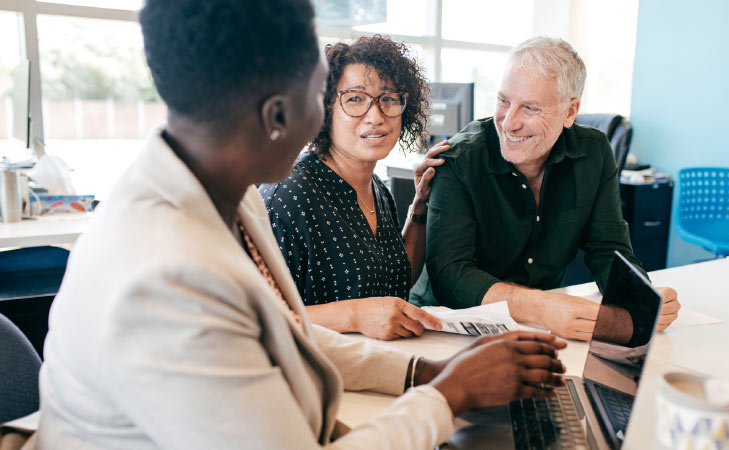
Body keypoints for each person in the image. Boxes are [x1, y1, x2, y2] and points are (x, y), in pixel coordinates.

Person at [34, 2, 568, 449]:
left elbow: (287, 331)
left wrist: (421, 374)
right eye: (327, 96)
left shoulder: (227, 195)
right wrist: (450, 396)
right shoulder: (166, 277)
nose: (367, 116)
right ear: (277, 116)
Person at [417, 37, 680, 341]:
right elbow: (450, 275)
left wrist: (639, 297)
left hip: (537, 328)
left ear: (570, 112)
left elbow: (608, 248)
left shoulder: (594, 153)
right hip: (447, 326)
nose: (509, 122)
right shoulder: (458, 159)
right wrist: (541, 307)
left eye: (529, 107)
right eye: (504, 101)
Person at [260, 35, 449, 340]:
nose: (375, 116)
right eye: (355, 99)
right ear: (323, 109)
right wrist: (353, 315)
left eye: (387, 99)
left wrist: (420, 207)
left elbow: (393, 284)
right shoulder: (289, 196)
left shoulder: (376, 189)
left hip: (376, 365)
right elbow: (258, 317)